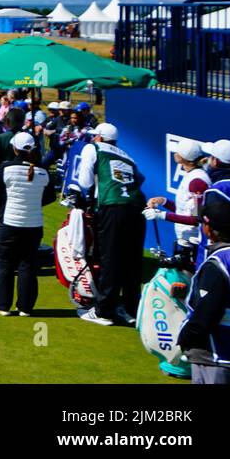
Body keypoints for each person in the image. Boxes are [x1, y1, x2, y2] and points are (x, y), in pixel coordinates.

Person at [69, 122, 146, 326]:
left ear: (100, 137)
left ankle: (104, 311)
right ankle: (130, 309)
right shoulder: (127, 155)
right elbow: (140, 179)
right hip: (137, 207)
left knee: (110, 258)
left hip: (113, 206)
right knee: (132, 261)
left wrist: (82, 194)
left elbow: (84, 179)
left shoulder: (93, 148)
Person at [177, 180, 230, 384]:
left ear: (209, 230)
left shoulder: (218, 264)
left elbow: (206, 313)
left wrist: (185, 338)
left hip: (216, 357)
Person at [0, 133, 55, 316]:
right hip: (33, 225)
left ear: (15, 148)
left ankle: (1, 305)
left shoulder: (6, 168)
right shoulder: (43, 171)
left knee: (4, 263)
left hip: (9, 223)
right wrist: (32, 203)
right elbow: (49, 197)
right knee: (28, 265)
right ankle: (25, 307)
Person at [145, 141, 213, 266]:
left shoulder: (197, 181)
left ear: (182, 158)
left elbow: (195, 218)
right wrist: (164, 202)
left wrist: (161, 215)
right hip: (185, 242)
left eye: (177, 151)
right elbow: (185, 210)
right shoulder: (192, 176)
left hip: (193, 244)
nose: (174, 153)